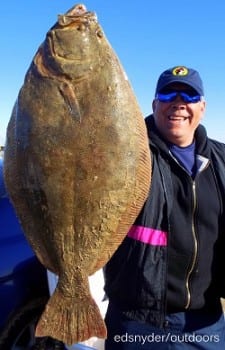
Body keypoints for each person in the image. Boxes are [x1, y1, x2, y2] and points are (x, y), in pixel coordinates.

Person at [104, 65, 225, 349]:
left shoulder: (221, 159)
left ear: (203, 107)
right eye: (169, 93)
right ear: (155, 103)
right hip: (137, 322)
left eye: (190, 96)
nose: (179, 103)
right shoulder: (124, 154)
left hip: (206, 324)